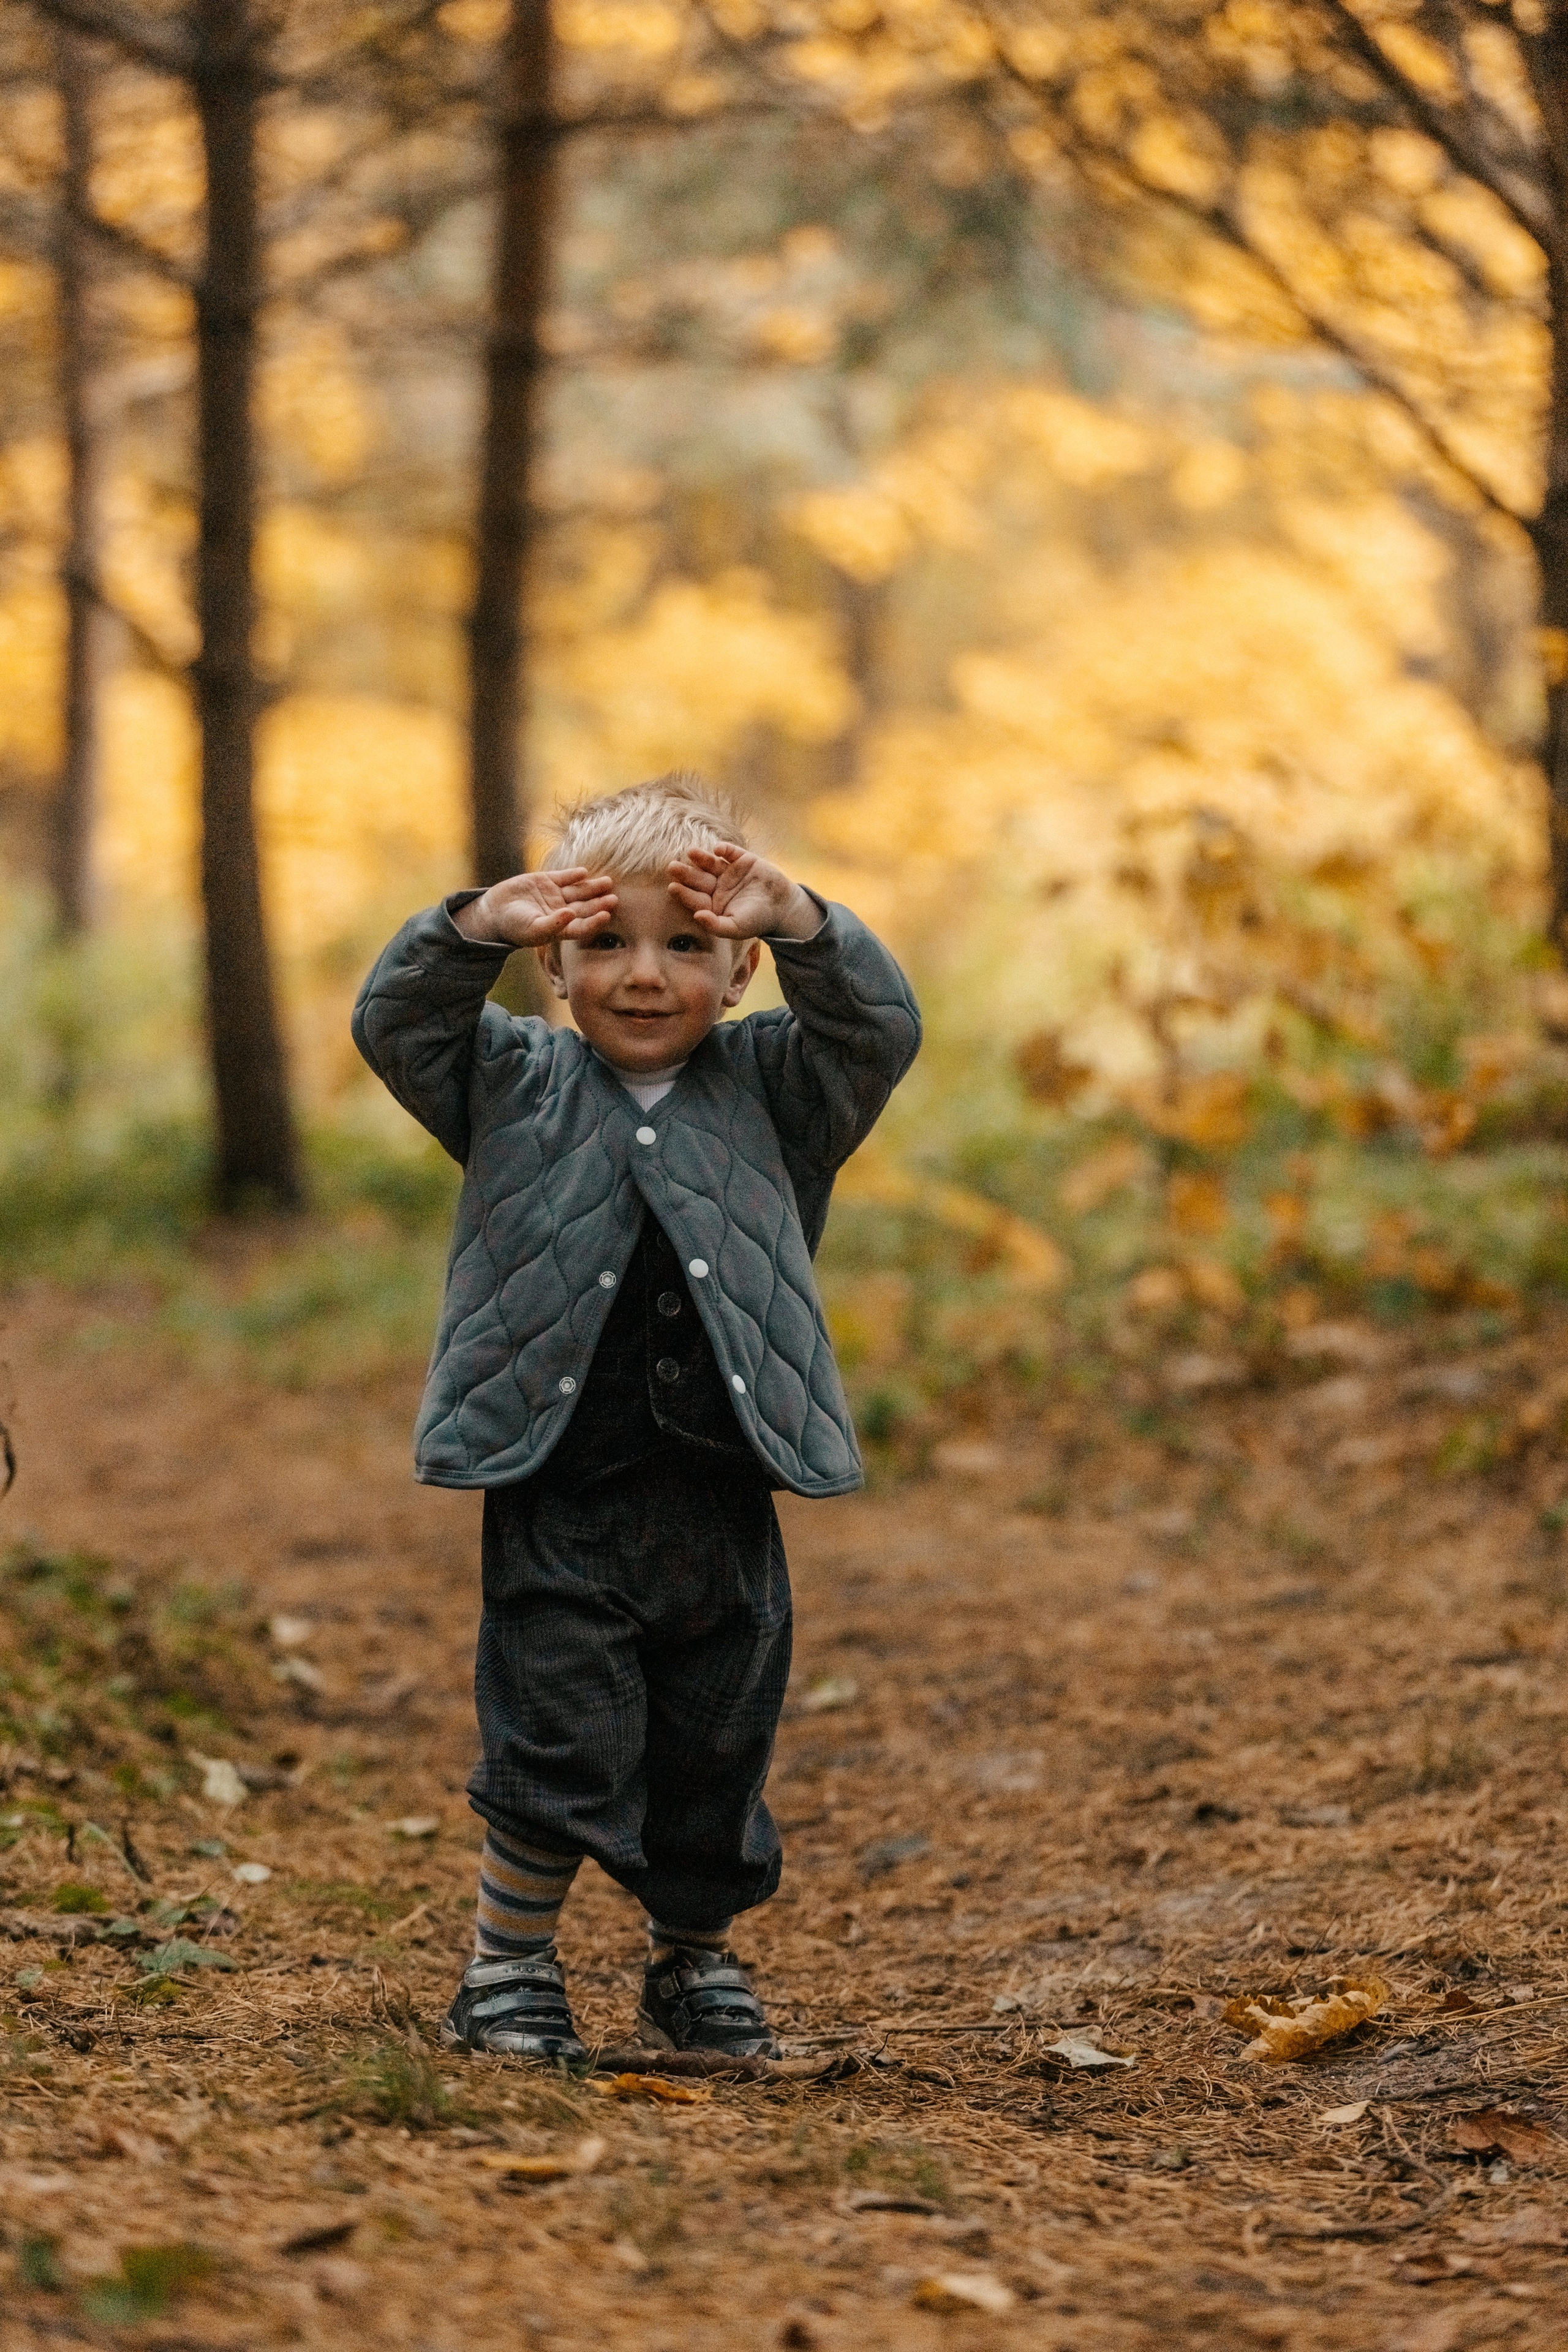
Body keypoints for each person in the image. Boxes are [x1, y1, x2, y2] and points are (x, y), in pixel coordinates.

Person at [352, 772, 920, 2062]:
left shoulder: (780, 1086)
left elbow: (876, 1032)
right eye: (603, 943)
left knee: (714, 1743)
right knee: (555, 1731)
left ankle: (692, 1964)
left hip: (722, 1483)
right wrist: (467, 930)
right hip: (557, 1476)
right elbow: (397, 1026)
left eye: (688, 945)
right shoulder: (510, 1082)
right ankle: (505, 1967)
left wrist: (806, 921)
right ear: (554, 968)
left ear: (737, 975)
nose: (645, 974)